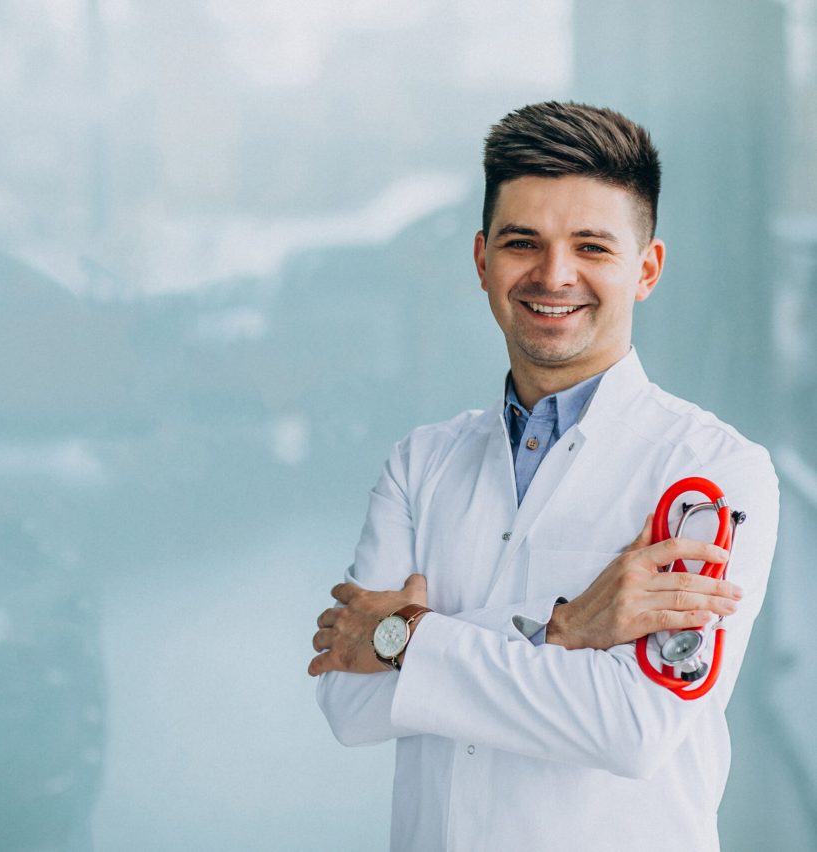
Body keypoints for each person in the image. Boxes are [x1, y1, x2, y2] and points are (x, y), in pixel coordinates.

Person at [306, 101, 779, 852]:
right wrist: (565, 629)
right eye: (523, 242)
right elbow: (348, 703)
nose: (554, 275)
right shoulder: (419, 463)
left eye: (592, 246)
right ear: (482, 259)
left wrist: (401, 639)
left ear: (646, 269)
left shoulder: (712, 473)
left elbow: (632, 728)